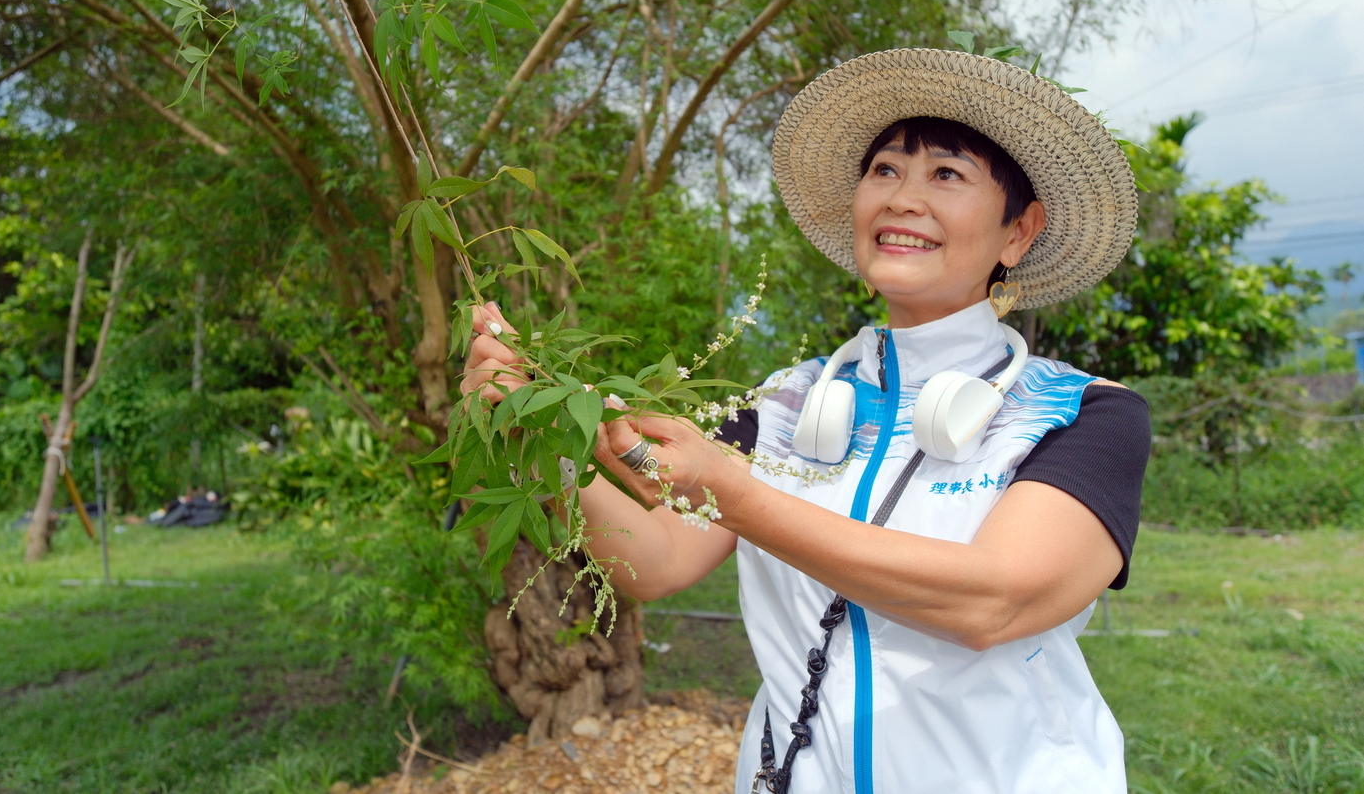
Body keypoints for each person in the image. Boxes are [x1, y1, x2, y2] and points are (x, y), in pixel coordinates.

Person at [462, 48, 1151, 794]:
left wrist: (737, 493)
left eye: (945, 175)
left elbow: (992, 599)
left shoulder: (1083, 413)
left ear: (1018, 233)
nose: (900, 198)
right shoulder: (787, 401)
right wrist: (546, 429)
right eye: (883, 171)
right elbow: (655, 560)